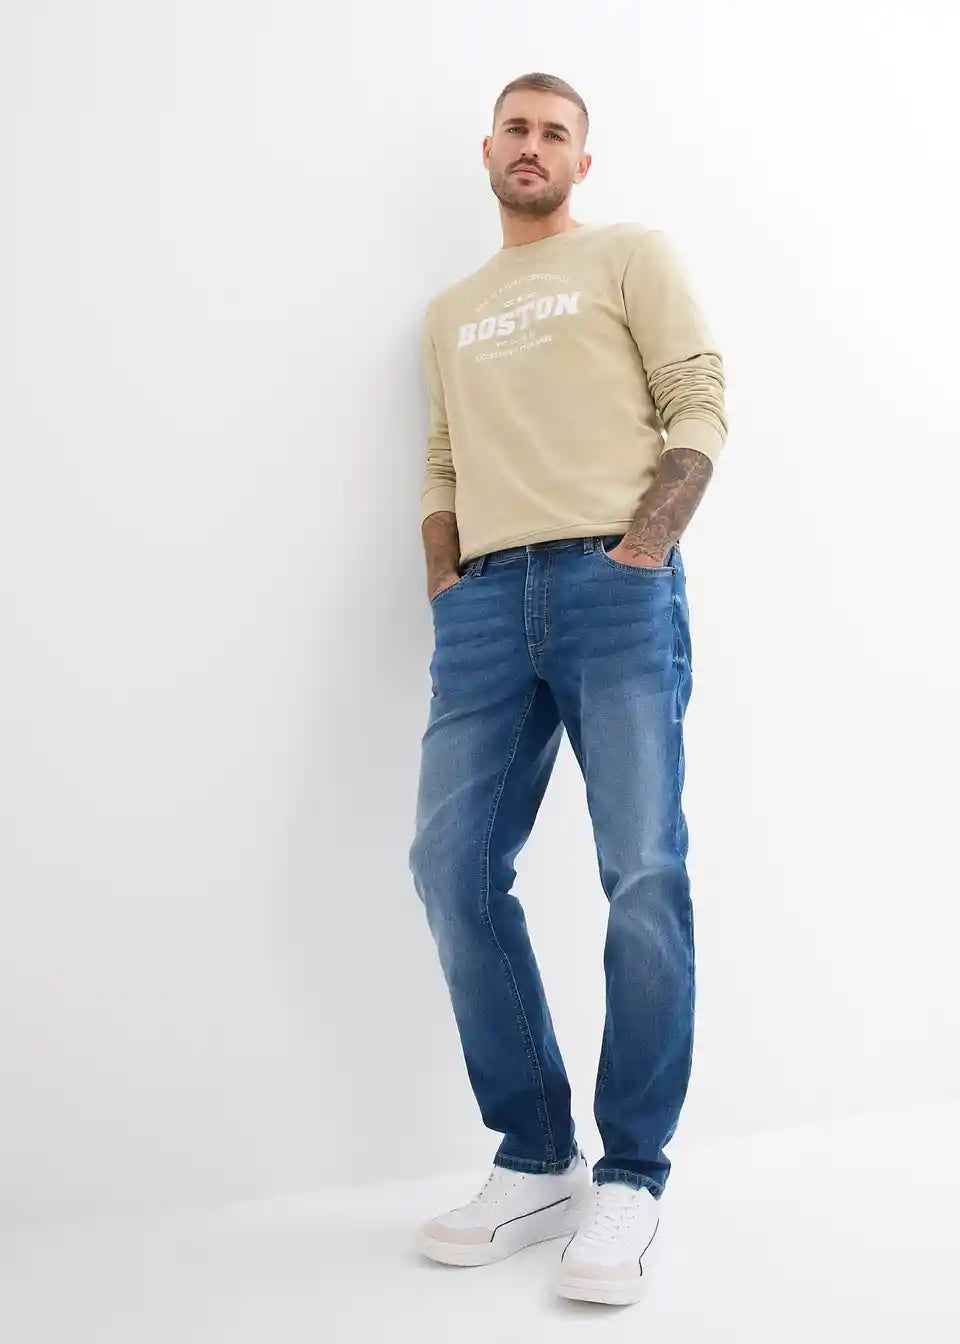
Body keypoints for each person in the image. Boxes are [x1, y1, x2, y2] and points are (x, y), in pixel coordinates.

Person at [407, 71, 728, 1308]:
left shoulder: (628, 254)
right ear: (488, 149)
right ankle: (539, 1155)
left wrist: (644, 547)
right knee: (451, 868)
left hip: (614, 582)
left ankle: (632, 1174)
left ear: (581, 162)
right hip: (486, 605)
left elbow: (698, 397)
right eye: (517, 129)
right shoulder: (450, 310)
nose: (532, 146)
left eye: (556, 133)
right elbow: (443, 458)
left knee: (641, 869)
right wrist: (447, 580)